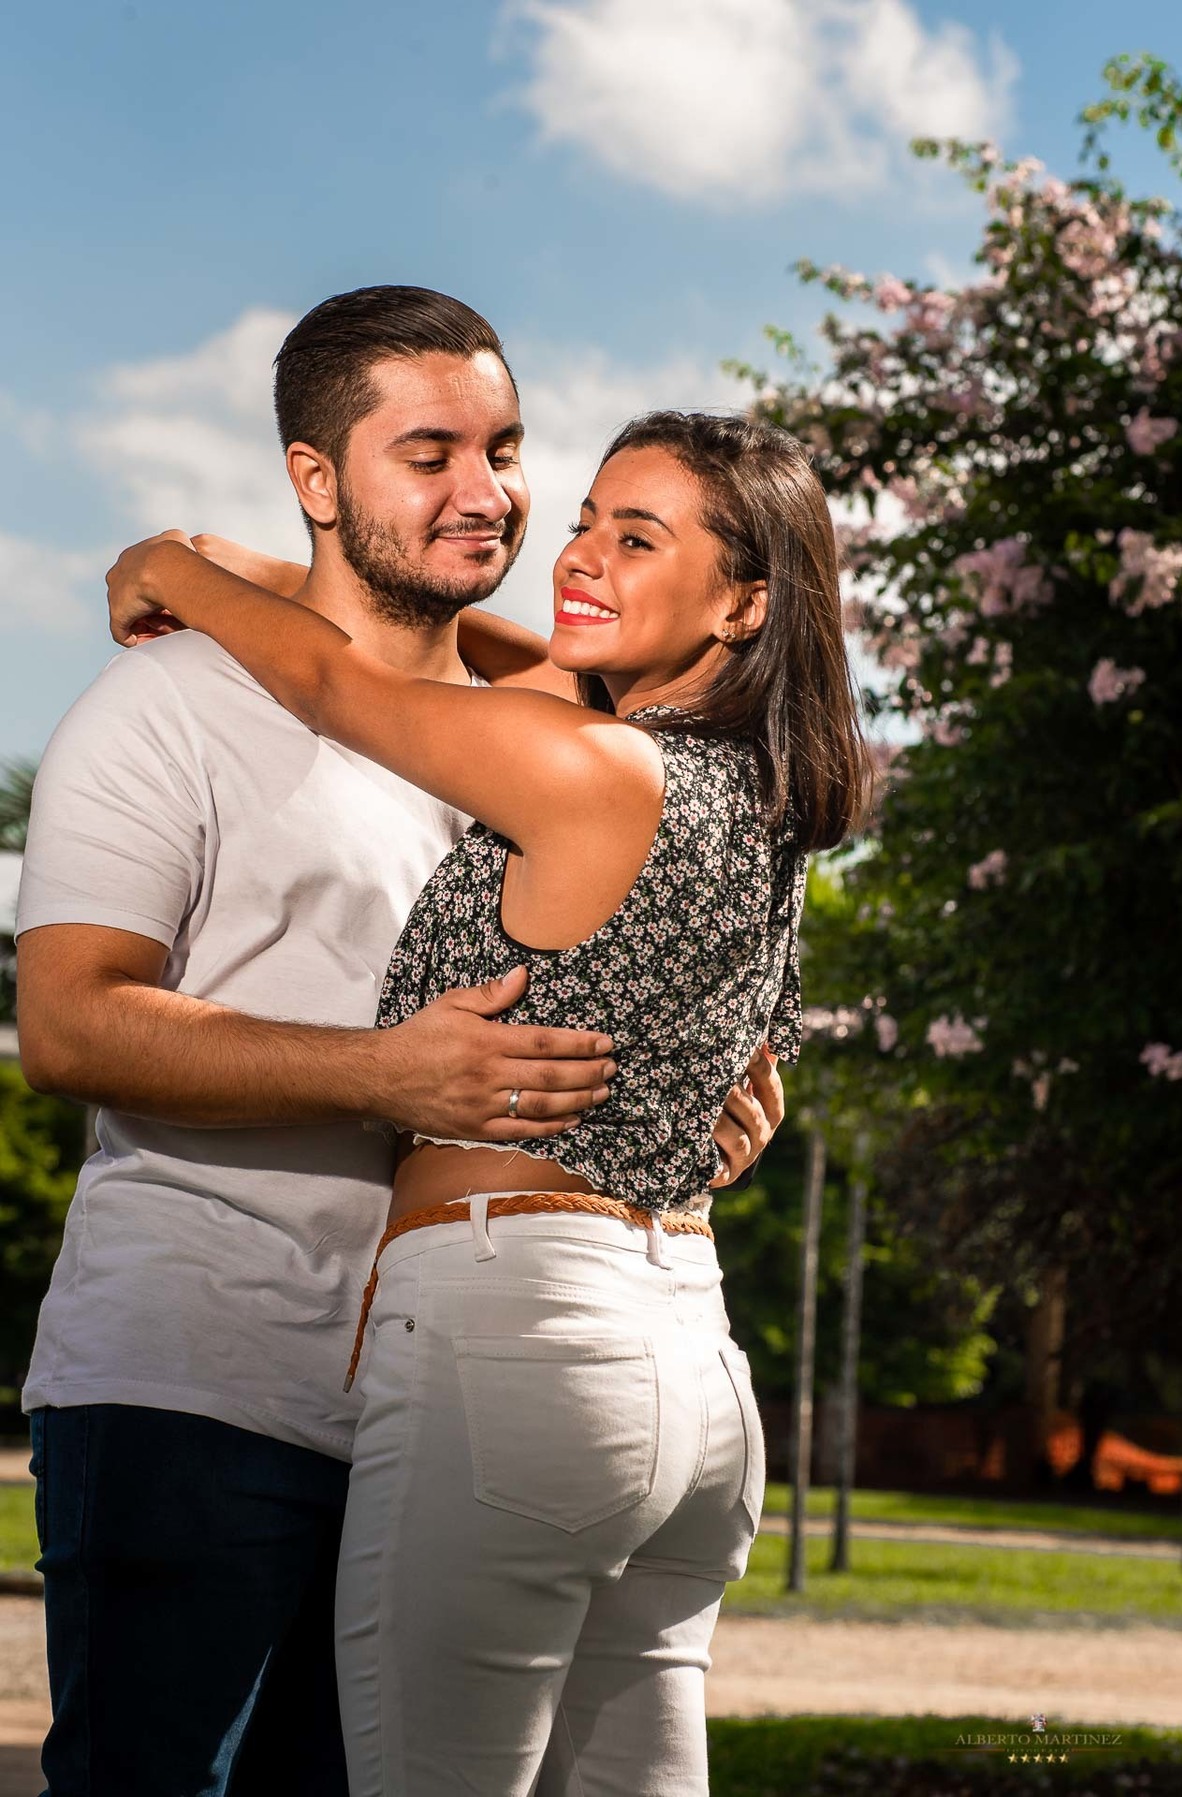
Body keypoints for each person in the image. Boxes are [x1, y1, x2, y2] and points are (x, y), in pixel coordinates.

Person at [16, 287, 780, 1797]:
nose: (486, 494)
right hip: (207, 1381)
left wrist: (690, 1108)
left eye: (503, 449)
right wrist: (387, 1077)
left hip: (456, 1398)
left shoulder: (547, 730)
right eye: (427, 453)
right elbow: (67, 1020)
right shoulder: (169, 701)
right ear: (316, 479)